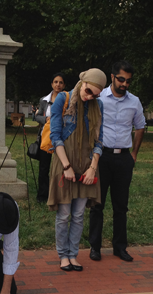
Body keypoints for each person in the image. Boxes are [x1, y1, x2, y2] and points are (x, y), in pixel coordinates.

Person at [48, 68, 106, 273]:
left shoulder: (97, 106)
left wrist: (93, 168)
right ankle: (63, 255)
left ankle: (73, 254)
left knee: (79, 214)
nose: (89, 97)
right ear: (83, 82)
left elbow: (99, 140)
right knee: (64, 214)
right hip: (64, 164)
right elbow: (55, 137)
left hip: (86, 166)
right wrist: (66, 166)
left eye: (95, 95)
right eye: (89, 91)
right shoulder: (63, 100)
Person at [88, 60, 145, 264]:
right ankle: (94, 247)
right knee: (97, 204)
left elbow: (140, 127)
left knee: (121, 206)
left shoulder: (134, 102)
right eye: (121, 79)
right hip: (101, 157)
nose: (124, 84)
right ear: (112, 77)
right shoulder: (99, 96)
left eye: (128, 81)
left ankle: (120, 247)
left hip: (123, 158)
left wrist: (134, 154)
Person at [34, 74, 66, 203]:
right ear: (52, 84)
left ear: (64, 85)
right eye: (56, 82)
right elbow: (36, 116)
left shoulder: (67, 99)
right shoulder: (44, 100)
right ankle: (43, 195)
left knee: (60, 167)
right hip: (46, 137)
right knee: (44, 167)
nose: (58, 84)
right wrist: (46, 119)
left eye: (61, 82)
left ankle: (59, 193)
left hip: (61, 137)